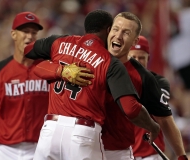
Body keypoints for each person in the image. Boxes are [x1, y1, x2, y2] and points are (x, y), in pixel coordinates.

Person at [24, 9, 160, 160]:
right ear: (109, 30)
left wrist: (59, 69)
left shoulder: (59, 42)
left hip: (50, 130)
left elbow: (27, 51)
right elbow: (130, 108)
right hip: (82, 133)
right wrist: (153, 126)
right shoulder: (110, 62)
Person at [0, 11, 50, 160]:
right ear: (13, 34)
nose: (30, 36)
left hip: (40, 149)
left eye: (34, 33)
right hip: (6, 152)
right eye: (25, 31)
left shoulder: (48, 69)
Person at [128, 35, 187, 160]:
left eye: (141, 57)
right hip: (121, 153)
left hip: (150, 154)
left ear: (148, 58)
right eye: (133, 57)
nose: (137, 61)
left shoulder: (159, 82)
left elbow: (165, 119)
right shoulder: (115, 80)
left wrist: (180, 154)